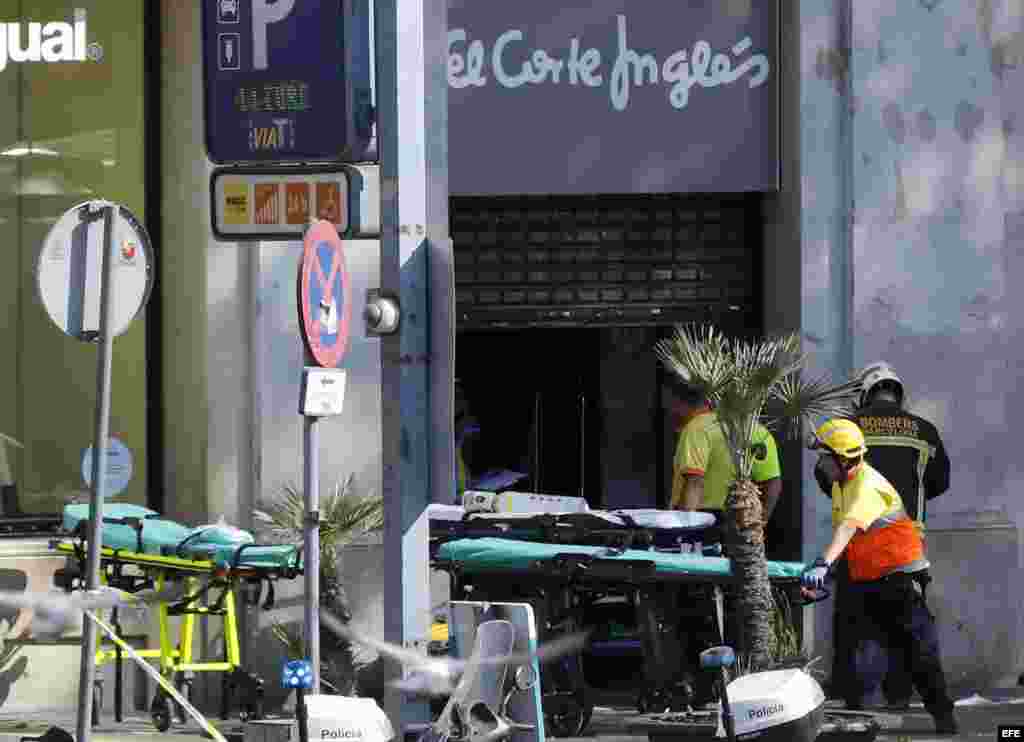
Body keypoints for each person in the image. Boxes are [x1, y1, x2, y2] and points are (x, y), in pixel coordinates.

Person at [802, 418, 958, 735]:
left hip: (900, 577)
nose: (819, 464)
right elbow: (847, 536)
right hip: (868, 577)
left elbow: (848, 528)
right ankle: (854, 721)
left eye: (824, 457)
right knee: (852, 647)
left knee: (917, 653)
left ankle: (943, 715)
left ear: (844, 459)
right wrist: (826, 575)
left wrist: (822, 564)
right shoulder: (841, 485)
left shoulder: (867, 486)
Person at [814, 361, 951, 709]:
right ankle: (900, 695)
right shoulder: (925, 431)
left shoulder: (849, 427)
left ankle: (853, 697)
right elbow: (939, 482)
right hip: (906, 548)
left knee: (853, 623)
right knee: (908, 628)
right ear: (898, 393)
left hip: (859, 545)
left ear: (864, 393)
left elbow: (825, 474)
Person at [663, 375, 782, 541]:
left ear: (679, 402)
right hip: (743, 521)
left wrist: (683, 532)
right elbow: (773, 484)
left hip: (700, 521)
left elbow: (694, 482)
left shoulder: (696, 428)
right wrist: (757, 526)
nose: (668, 411)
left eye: (669, 404)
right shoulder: (758, 431)